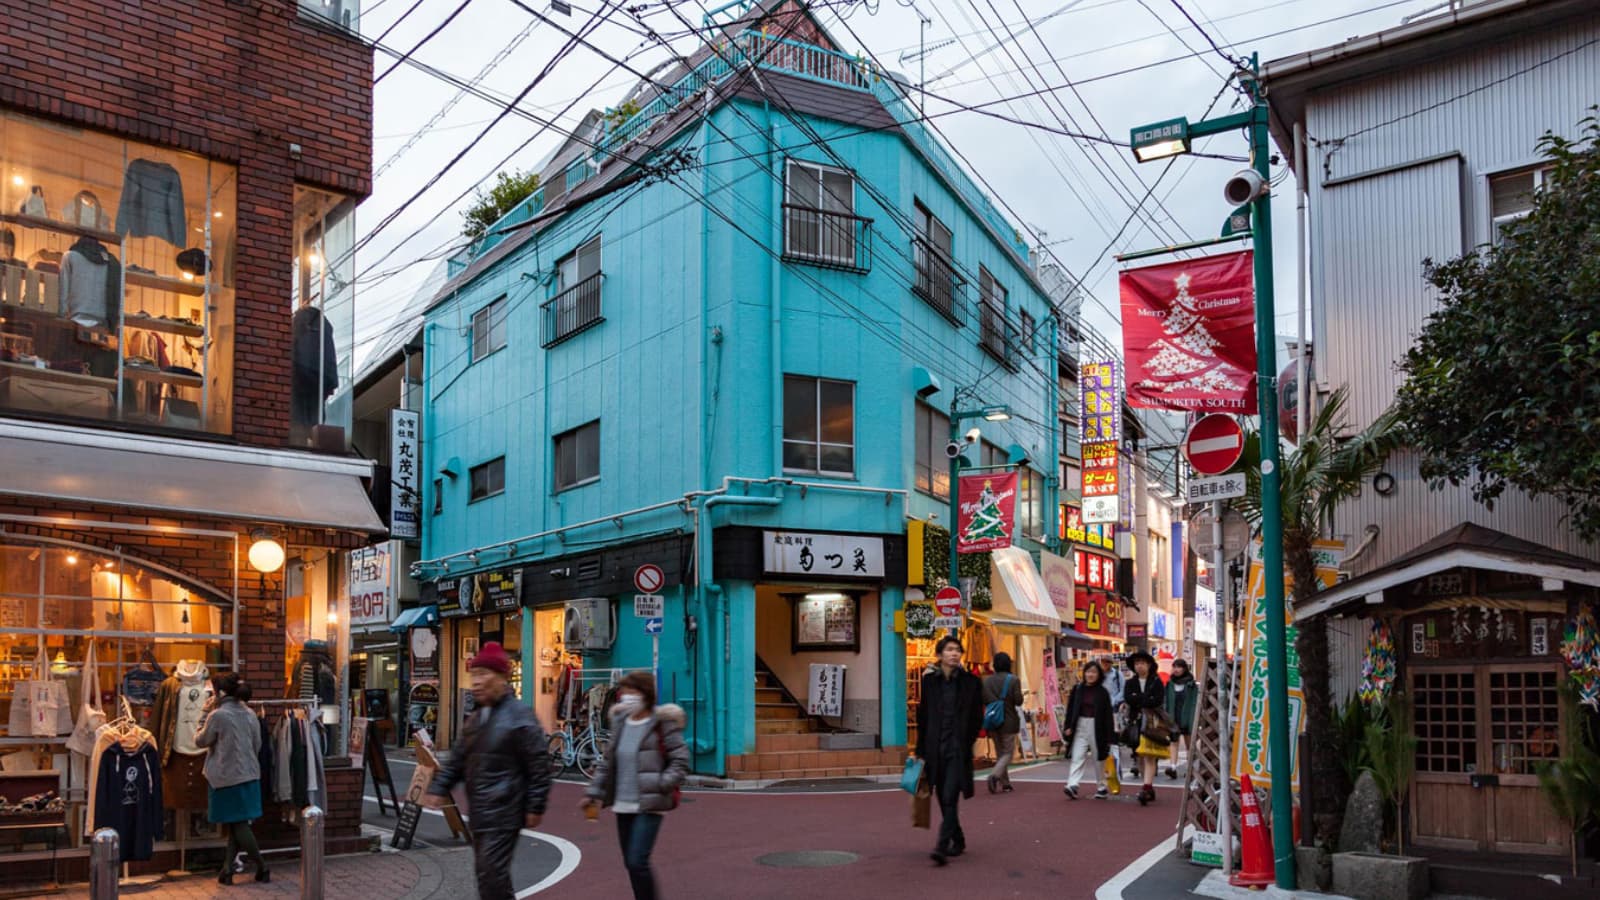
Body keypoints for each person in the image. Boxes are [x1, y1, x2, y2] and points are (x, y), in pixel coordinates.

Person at [424, 642, 551, 900]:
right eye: (474, 674)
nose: (476, 682)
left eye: (484, 674)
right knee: (490, 876)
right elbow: (458, 759)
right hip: (480, 812)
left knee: (491, 873)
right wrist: (439, 787)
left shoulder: (520, 717)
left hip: (505, 811)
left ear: (503, 678)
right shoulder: (476, 718)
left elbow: (539, 766)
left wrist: (535, 806)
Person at [583, 672, 690, 900]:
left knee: (637, 860)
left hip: (649, 803)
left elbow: (680, 759)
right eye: (624, 692)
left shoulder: (661, 723)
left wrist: (662, 783)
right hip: (622, 803)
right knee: (630, 863)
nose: (626, 697)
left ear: (645, 694)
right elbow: (608, 761)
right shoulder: (621, 722)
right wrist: (593, 792)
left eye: (632, 692)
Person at [193, 673, 267, 885]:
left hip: (225, 777)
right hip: (250, 775)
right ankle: (227, 870)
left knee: (238, 825)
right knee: (238, 824)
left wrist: (204, 712)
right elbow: (257, 745)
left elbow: (200, 741)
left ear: (219, 693)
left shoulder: (217, 715)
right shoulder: (250, 714)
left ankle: (262, 866)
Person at [916, 635, 983, 866]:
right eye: (949, 650)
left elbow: (976, 716)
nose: (954, 654)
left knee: (949, 795)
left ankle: (941, 847)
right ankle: (959, 839)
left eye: (957, 650)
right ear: (940, 654)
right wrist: (920, 749)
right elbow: (923, 716)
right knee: (941, 797)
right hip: (935, 748)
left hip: (957, 748)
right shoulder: (930, 682)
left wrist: (968, 740)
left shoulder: (971, 682)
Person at [1061, 661, 1115, 800]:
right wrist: (1068, 727)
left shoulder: (1102, 692)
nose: (1090, 675)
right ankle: (1072, 784)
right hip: (1080, 725)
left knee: (1099, 758)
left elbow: (1108, 715)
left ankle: (1102, 787)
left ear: (1099, 675)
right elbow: (1071, 710)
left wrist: (1110, 736)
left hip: (1097, 727)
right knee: (1077, 756)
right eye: (1088, 672)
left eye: (1094, 672)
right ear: (1084, 673)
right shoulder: (1078, 689)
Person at [1120, 651, 1168, 805]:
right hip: (1135, 722)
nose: (1139, 666)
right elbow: (1129, 698)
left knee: (1149, 754)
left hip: (1152, 722)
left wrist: (1139, 699)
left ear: (1149, 665)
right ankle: (1148, 786)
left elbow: (1157, 700)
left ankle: (1146, 787)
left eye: (1142, 663)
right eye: (1136, 663)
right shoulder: (1130, 682)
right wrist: (1145, 699)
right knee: (1139, 754)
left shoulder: (1156, 681)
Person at [981, 651, 1024, 793]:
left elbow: (984, 700)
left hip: (992, 720)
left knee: (1000, 752)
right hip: (1009, 720)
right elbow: (1018, 701)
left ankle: (1005, 783)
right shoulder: (1013, 680)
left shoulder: (986, 681)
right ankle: (994, 776)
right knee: (1008, 753)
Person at [1164, 659, 1199, 780]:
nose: (1176, 669)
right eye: (1174, 667)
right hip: (1173, 716)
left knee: (1189, 743)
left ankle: (1191, 769)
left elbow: (1195, 702)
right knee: (1174, 742)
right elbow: (1166, 701)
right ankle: (1173, 767)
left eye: (1179, 667)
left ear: (1184, 669)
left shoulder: (1191, 684)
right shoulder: (1170, 684)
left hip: (1187, 716)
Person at [1100, 655, 1129, 787]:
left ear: (1111, 663)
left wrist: (1114, 701)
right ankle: (1107, 769)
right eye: (1103, 662)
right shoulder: (1097, 674)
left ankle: (1116, 770)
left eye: (1108, 662)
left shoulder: (1117, 675)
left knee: (1113, 738)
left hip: (1114, 710)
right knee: (1102, 739)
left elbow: (1123, 690)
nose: (1105, 664)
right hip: (1100, 711)